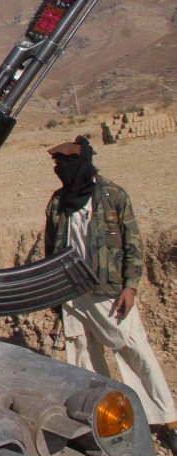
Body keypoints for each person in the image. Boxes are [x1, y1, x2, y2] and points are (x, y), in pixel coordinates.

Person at [45, 136, 177, 453]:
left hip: (108, 291)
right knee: (82, 357)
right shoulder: (58, 203)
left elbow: (134, 244)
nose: (59, 169)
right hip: (72, 291)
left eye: (65, 164)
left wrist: (130, 286)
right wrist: (52, 295)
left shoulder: (112, 195)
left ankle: (168, 422)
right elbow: (51, 250)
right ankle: (100, 420)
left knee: (135, 351)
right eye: (57, 165)